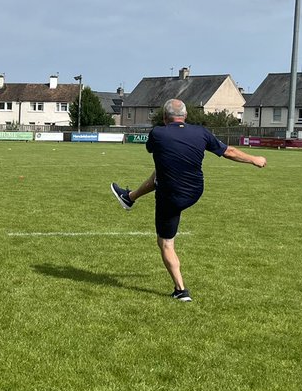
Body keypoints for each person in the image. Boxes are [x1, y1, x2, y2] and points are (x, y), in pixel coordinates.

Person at [110, 98, 266, 302]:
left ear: (164, 117)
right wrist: (255, 159)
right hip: (194, 191)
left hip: (170, 196)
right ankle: (129, 197)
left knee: (165, 243)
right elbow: (229, 151)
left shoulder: (158, 133)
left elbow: (151, 149)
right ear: (185, 115)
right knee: (160, 173)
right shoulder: (201, 132)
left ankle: (181, 290)